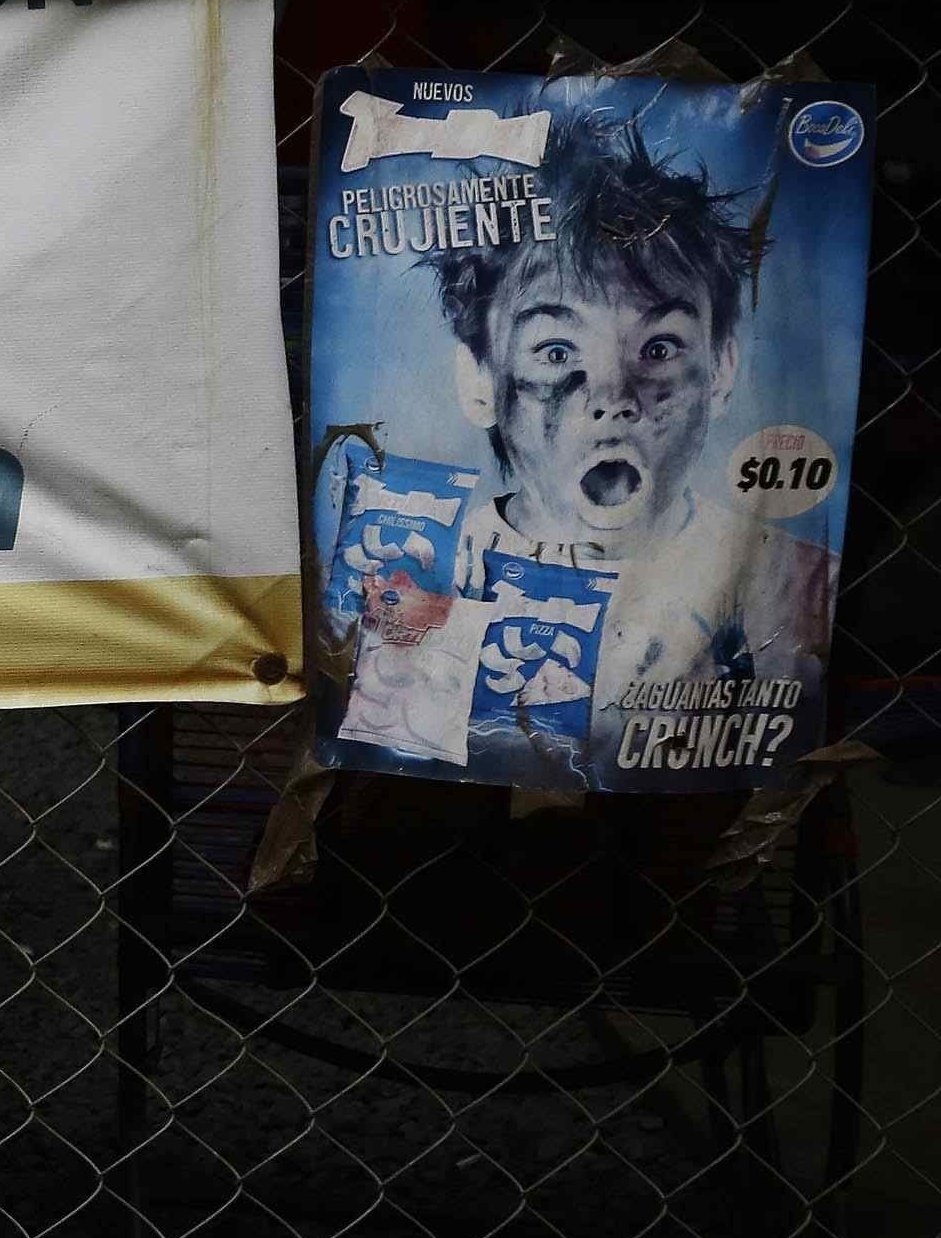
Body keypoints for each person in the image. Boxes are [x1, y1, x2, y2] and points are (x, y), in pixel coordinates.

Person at [355, 112, 834, 784]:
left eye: (659, 348)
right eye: (556, 351)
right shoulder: (419, 579)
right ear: (480, 380)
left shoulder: (797, 587)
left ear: (721, 371)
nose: (613, 396)